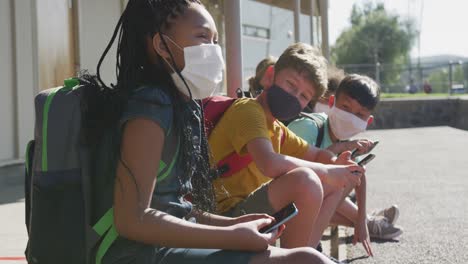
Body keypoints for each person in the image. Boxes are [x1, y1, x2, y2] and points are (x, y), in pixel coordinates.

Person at [80, 1, 335, 263]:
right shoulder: (150, 107)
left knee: (305, 258)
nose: (214, 50)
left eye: (215, 40)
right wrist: (231, 236)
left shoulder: (182, 106)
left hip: (162, 247)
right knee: (307, 260)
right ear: (161, 45)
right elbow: (132, 220)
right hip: (135, 254)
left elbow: (178, 210)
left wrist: (230, 225)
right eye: (203, 37)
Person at [209, 42, 364, 251]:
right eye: (291, 85)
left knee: (337, 181)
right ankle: (295, 257)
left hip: (247, 214)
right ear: (270, 76)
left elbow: (318, 155)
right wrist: (328, 171)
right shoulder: (247, 110)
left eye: (303, 96)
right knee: (305, 181)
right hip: (221, 219)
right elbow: (270, 163)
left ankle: (306, 252)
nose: (294, 96)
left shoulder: (278, 129)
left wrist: (338, 164)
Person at [288, 74, 403, 256]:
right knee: (336, 180)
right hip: (281, 202)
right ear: (332, 102)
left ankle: (368, 224)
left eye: (359, 114)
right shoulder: (309, 128)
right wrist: (341, 148)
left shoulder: (345, 139)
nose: (350, 117)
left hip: (304, 205)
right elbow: (292, 173)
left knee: (346, 176)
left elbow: (359, 175)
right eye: (346, 107)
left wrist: (360, 222)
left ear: (368, 121)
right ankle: (306, 251)